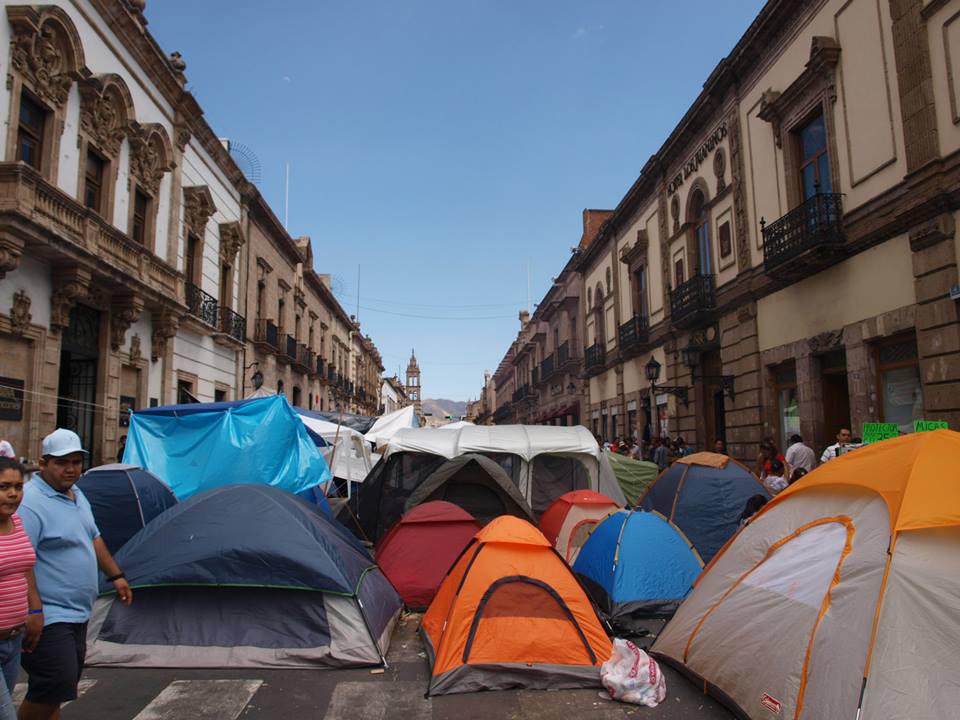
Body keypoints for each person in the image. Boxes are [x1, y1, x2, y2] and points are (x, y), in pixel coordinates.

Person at [17, 429, 132, 720]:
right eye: (61, 462)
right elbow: (23, 560)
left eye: (76, 461)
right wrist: (34, 608)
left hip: (79, 612)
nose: (70, 468)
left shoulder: (76, 494)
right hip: (50, 615)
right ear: (43, 464)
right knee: (53, 684)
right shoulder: (30, 502)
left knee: (58, 690)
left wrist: (116, 575)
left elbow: (92, 537)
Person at [0, 458, 42, 720]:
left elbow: (25, 568)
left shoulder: (16, 522)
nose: (13, 493)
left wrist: (35, 608)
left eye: (18, 486)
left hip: (14, 640)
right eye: (4, 487)